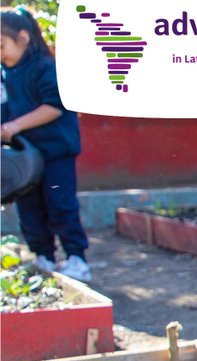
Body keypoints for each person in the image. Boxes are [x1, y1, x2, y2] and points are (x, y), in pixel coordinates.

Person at [1, 7, 89, 282]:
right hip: (24, 160)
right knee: (30, 210)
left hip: (54, 153)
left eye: (1, 45)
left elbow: (54, 107)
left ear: (23, 38)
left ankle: (77, 259)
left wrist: (15, 126)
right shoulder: (5, 74)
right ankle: (44, 257)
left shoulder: (45, 67)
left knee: (60, 204)